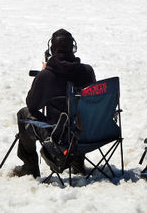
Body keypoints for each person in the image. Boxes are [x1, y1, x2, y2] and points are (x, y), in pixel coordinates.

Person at [12, 28, 96, 178]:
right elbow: (93, 103)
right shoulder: (87, 71)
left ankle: (30, 166)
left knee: (23, 113)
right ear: (73, 48)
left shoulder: (47, 75)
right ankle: (77, 160)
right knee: (78, 113)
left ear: (52, 50)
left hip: (58, 135)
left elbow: (32, 105)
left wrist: (43, 75)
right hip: (86, 132)